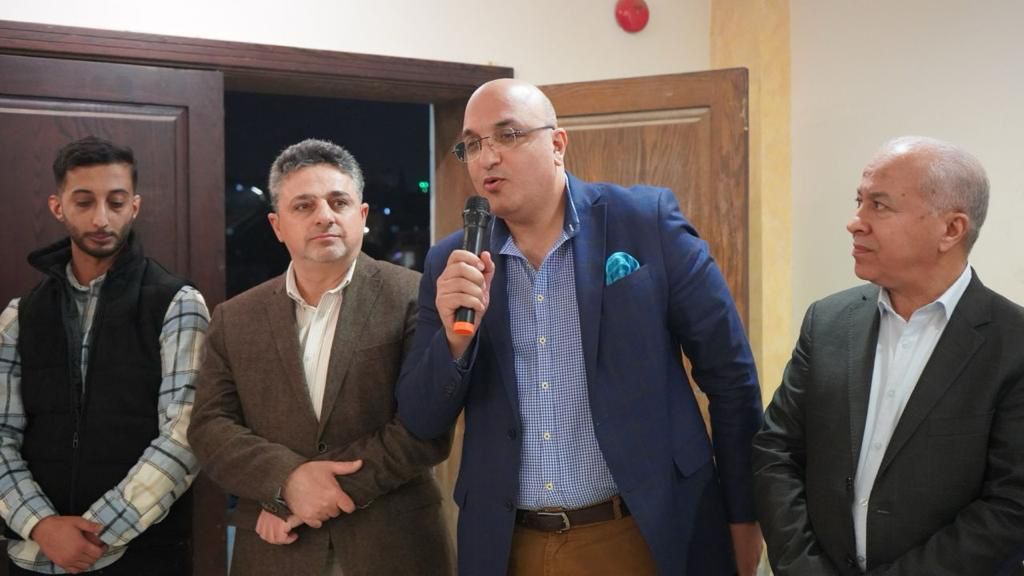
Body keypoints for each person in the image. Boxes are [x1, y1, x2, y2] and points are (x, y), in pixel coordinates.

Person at [396, 78, 764, 575]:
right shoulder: (452, 263)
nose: (487, 157)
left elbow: (730, 376)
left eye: (507, 135)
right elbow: (421, 419)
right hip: (509, 544)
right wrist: (453, 342)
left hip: (646, 530)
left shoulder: (645, 222)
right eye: (473, 145)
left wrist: (745, 514)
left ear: (557, 144)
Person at [753, 136, 1024, 575]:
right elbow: (776, 451)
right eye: (859, 202)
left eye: (879, 205)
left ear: (951, 229)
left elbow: (1011, 506)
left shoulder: (1012, 344)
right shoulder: (828, 322)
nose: (855, 223)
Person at [188, 139, 453, 576]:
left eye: (338, 202)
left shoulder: (415, 296)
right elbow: (210, 427)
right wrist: (286, 482)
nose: (324, 216)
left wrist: (309, 494)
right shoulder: (235, 318)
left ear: (361, 215)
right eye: (304, 206)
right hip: (275, 554)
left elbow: (425, 427)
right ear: (277, 225)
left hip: (393, 547)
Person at [0, 136, 208, 574]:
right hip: (31, 554)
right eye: (84, 202)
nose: (101, 218)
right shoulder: (21, 315)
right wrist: (40, 525)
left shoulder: (177, 303)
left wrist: (96, 533)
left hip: (141, 554)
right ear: (58, 207)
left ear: (134, 206)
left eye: (115, 202)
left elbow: (186, 434)